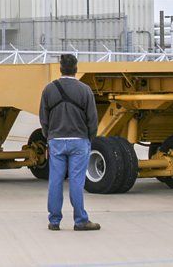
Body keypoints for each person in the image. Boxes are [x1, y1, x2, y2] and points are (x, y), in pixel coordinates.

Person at [40, 54, 101, 232]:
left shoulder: (49, 89)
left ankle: (54, 221)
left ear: (60, 69)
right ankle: (80, 221)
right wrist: (89, 138)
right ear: (76, 69)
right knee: (76, 181)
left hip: (56, 140)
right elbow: (92, 119)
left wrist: (49, 136)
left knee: (55, 181)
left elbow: (44, 117)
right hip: (79, 141)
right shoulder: (85, 90)